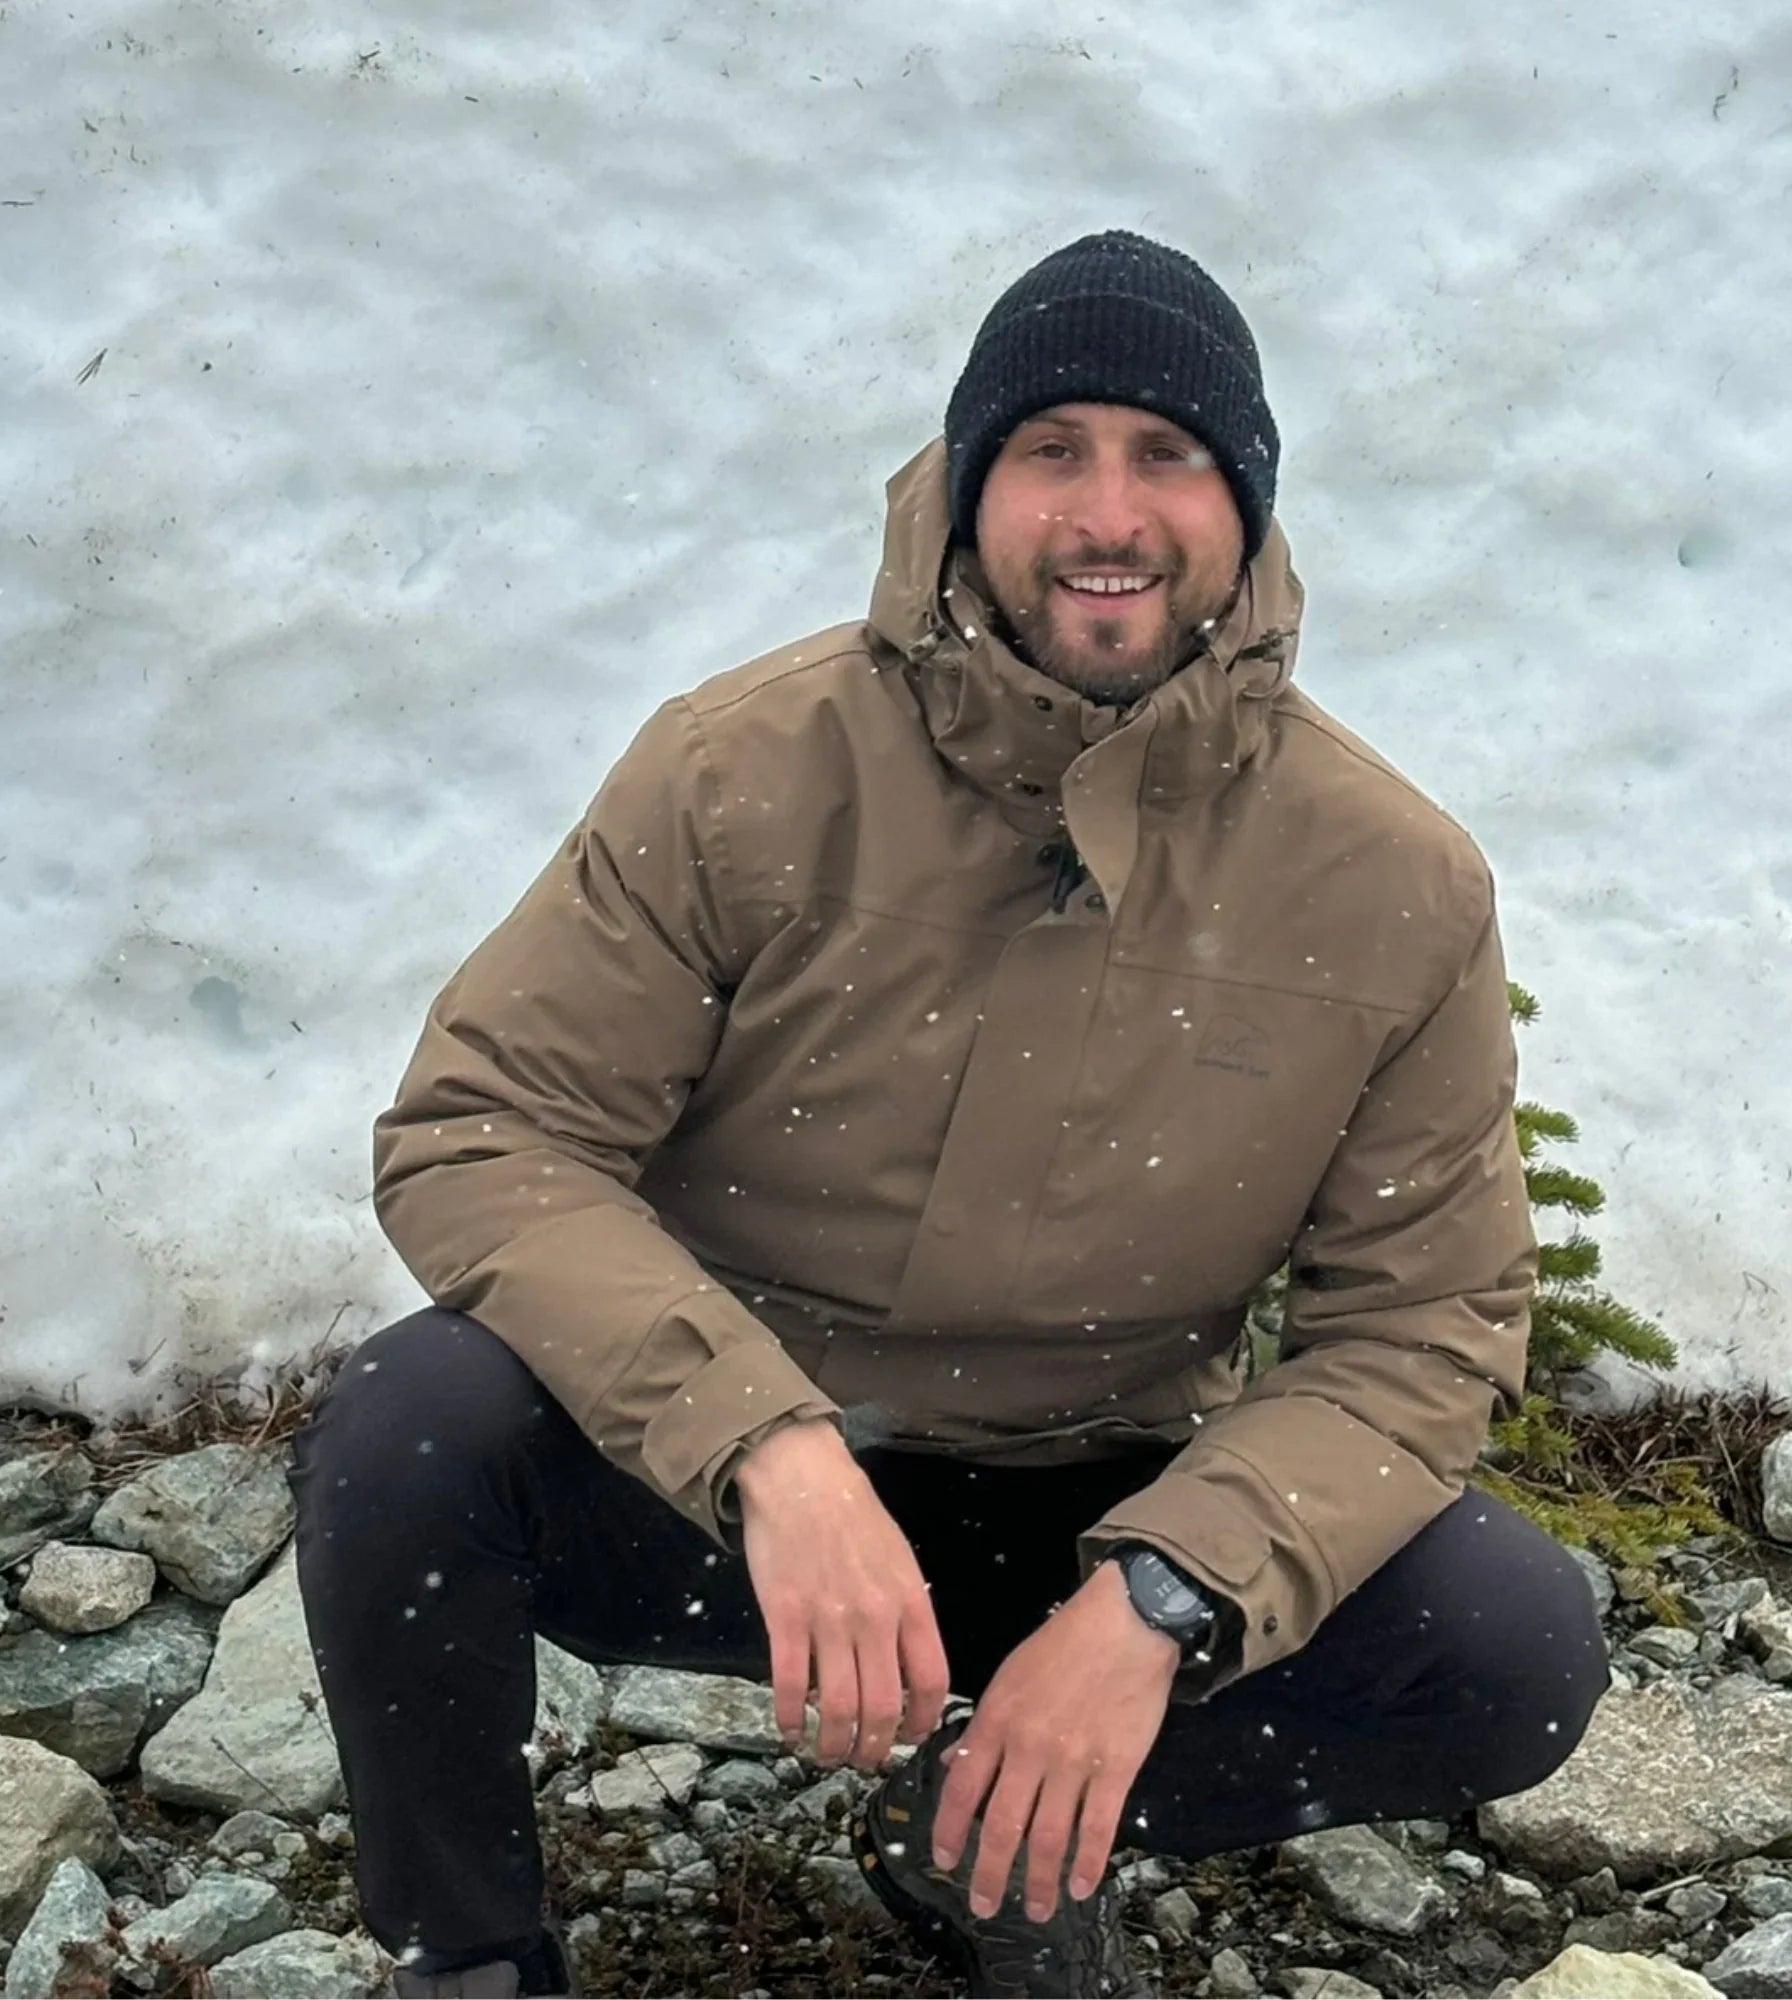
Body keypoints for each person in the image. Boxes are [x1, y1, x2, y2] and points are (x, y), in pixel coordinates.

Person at [291, 230, 1610, 1999]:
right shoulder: (744, 768)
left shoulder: (1391, 880)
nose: (1109, 513)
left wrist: (1164, 1597)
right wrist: (762, 1440)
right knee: (411, 1423)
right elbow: (483, 1127)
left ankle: (993, 1839)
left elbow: (1427, 1324)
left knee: (1510, 1643)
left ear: (1251, 505)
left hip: (1099, 1504)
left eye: (1169, 456)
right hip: (731, 1506)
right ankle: (468, 1956)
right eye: (1052, 449)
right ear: (968, 487)